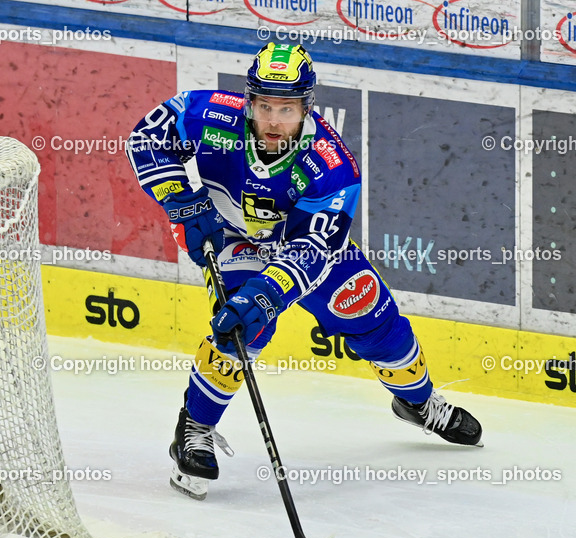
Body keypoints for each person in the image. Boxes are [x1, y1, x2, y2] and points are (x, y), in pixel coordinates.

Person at [126, 42, 483, 500]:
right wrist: (181, 198)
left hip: (301, 248)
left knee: (376, 321)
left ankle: (417, 402)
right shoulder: (211, 113)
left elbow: (316, 247)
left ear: (307, 107)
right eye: (265, 106)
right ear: (249, 101)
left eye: (287, 109)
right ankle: (194, 427)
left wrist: (267, 293)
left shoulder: (332, 167)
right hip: (232, 237)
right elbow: (147, 138)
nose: (274, 120)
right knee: (241, 330)